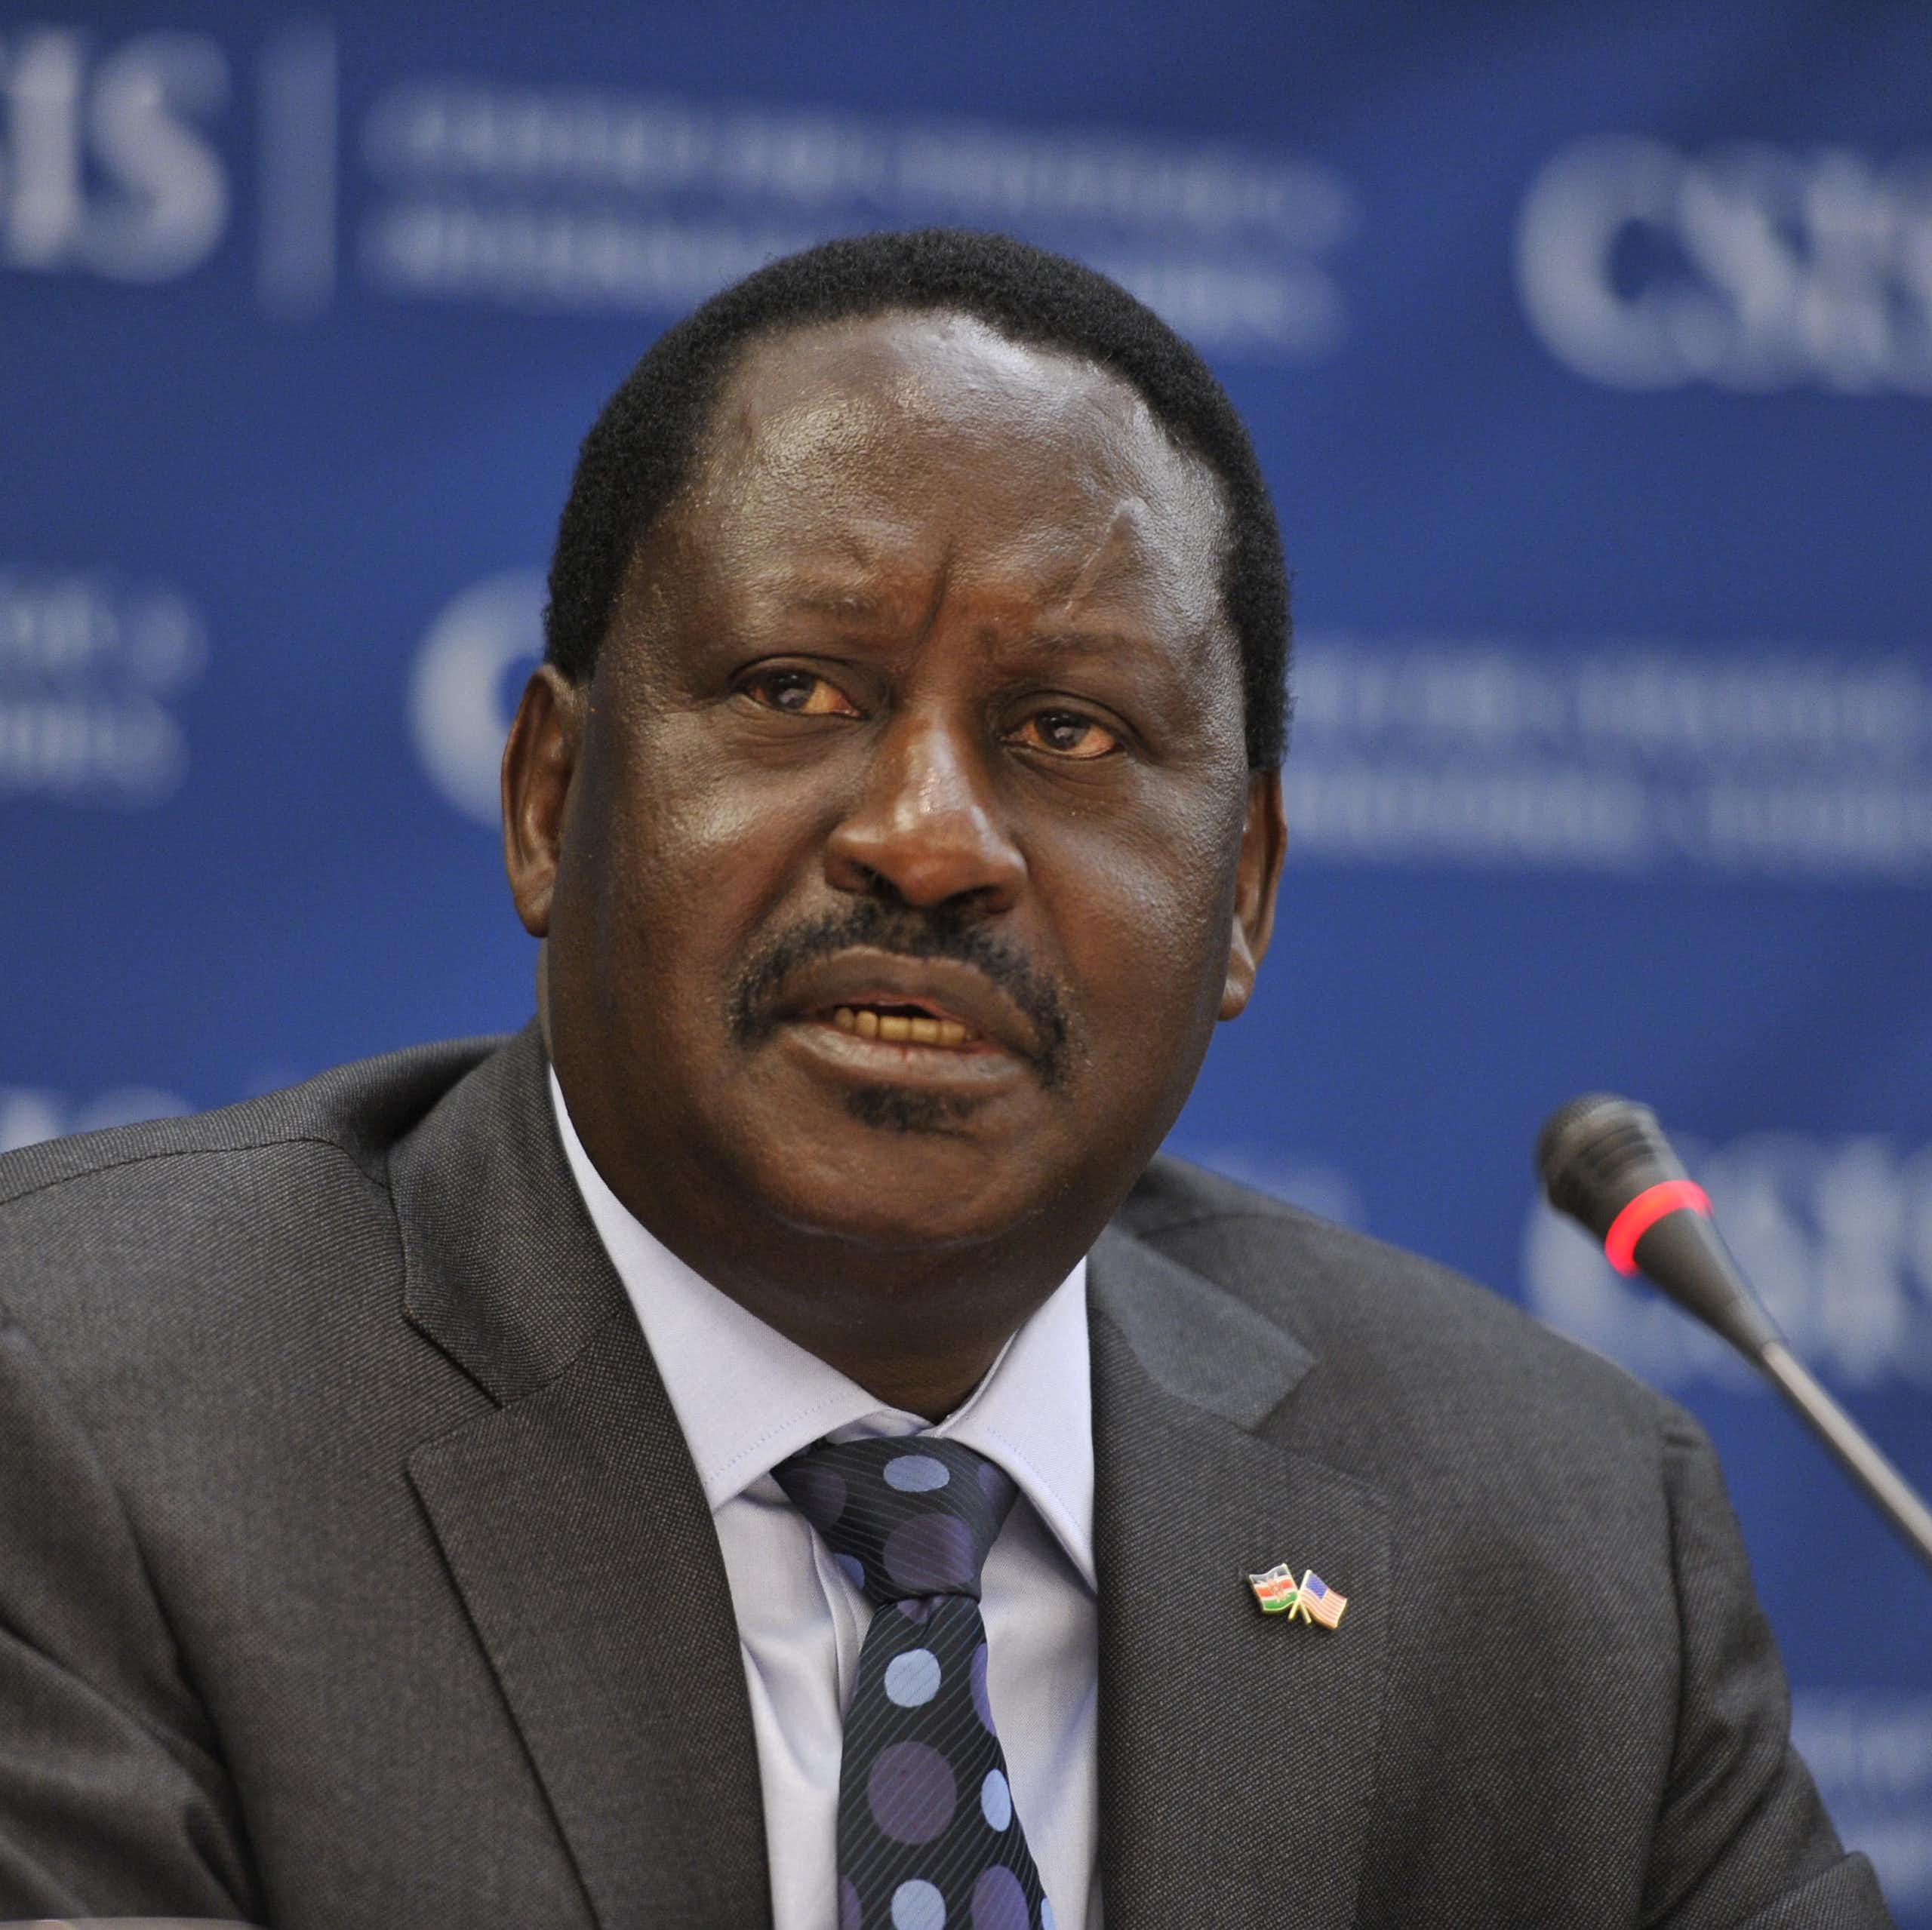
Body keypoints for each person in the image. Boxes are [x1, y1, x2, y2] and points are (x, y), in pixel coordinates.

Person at [0, 229, 1891, 1930]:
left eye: (1062, 729)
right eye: (798, 691)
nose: (925, 838)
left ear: (1237, 897)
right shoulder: (92, 1410)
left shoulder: (1555, 1540)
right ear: (548, 800)